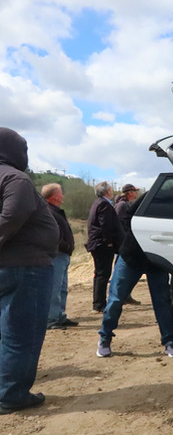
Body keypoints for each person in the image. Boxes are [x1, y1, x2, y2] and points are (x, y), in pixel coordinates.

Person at [0, 127, 59, 414]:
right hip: (26, 268)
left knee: (7, 330)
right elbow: (11, 216)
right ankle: (11, 395)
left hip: (9, 267)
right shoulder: (15, 178)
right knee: (22, 334)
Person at [97, 193, 173, 358]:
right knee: (116, 299)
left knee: (163, 302)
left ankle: (170, 342)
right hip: (132, 256)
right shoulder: (152, 195)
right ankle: (104, 338)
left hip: (158, 260)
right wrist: (140, 239)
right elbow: (127, 217)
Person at [41, 183, 78, 329]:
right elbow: (52, 235)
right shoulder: (48, 211)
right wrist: (65, 246)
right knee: (55, 289)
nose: (63, 195)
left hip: (62, 255)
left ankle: (59, 315)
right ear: (55, 196)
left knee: (62, 288)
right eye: (61, 193)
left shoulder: (54, 210)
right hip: (56, 255)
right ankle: (51, 319)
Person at [85, 181, 120, 313]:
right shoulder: (104, 204)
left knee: (100, 274)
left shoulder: (97, 203)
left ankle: (98, 302)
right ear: (107, 191)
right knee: (103, 274)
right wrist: (109, 242)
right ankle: (99, 304)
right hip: (102, 244)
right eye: (110, 189)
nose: (112, 191)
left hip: (97, 243)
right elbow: (105, 224)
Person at [113, 183, 141, 305]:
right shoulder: (122, 205)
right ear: (129, 193)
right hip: (124, 243)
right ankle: (120, 296)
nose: (136, 193)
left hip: (125, 241)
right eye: (134, 191)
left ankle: (125, 296)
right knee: (122, 274)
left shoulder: (125, 204)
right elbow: (119, 223)